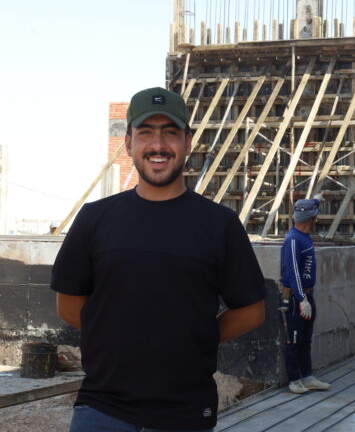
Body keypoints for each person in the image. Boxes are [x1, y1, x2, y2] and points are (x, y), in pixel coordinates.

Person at [51, 87, 267, 432]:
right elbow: (68, 305)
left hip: (185, 412)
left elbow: (251, 311)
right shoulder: (94, 218)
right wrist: (118, 337)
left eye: (170, 132)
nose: (158, 145)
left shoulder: (219, 224)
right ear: (129, 144)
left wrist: (194, 336)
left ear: (188, 142)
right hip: (102, 408)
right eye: (146, 133)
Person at [281, 196, 332, 394]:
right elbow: (292, 271)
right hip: (296, 298)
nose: (316, 220)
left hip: (307, 296)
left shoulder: (304, 237)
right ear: (310, 219)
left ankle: (308, 377)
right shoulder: (293, 240)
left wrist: (317, 197)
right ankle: (294, 380)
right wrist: (301, 298)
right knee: (294, 339)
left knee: (305, 339)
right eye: (314, 216)